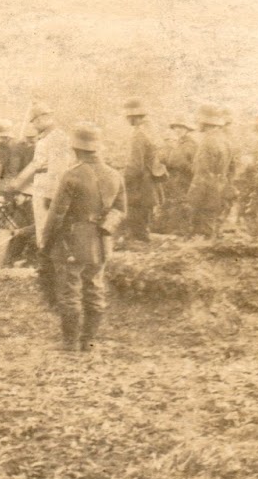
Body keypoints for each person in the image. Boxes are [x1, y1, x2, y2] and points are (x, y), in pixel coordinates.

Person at [43, 123, 127, 352]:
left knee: (70, 290)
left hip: (72, 241)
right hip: (100, 243)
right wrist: (106, 227)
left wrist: (46, 241)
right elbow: (120, 209)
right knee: (94, 288)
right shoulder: (114, 175)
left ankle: (70, 343)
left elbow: (56, 214)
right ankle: (89, 341)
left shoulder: (72, 175)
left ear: (76, 149)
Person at [5, 103, 73, 307]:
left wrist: (52, 197)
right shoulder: (46, 138)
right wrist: (16, 184)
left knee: (49, 239)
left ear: (44, 118)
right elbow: (36, 165)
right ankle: (49, 294)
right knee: (43, 240)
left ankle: (56, 295)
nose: (33, 125)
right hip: (41, 191)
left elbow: (58, 170)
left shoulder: (58, 138)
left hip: (48, 196)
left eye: (35, 121)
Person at [119, 97, 167, 243]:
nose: (127, 119)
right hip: (148, 185)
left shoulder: (138, 135)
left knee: (136, 223)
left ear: (132, 117)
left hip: (139, 187)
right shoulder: (150, 133)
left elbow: (135, 167)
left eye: (128, 116)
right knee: (142, 222)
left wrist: (121, 181)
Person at [186, 104, 235, 239]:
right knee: (214, 228)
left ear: (205, 121)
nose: (197, 122)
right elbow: (232, 168)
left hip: (207, 192)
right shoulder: (226, 140)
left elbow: (202, 173)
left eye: (199, 119)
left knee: (205, 232)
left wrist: (193, 197)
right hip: (220, 188)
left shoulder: (207, 142)